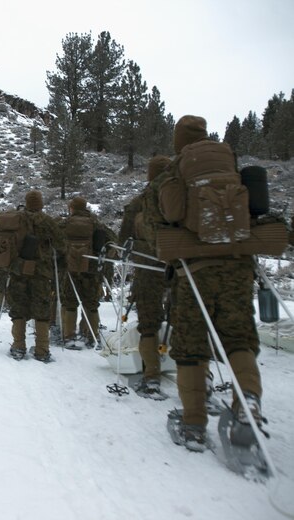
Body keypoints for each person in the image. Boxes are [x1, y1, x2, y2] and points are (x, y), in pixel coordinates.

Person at [142, 115, 265, 452]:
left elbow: (156, 232)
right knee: (239, 340)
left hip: (193, 273)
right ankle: (248, 403)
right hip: (238, 270)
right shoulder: (232, 167)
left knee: (191, 346)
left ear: (178, 141)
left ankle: (194, 424)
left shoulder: (172, 174)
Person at [119, 155, 172, 400]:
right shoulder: (185, 198)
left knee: (149, 324)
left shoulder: (138, 203)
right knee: (186, 321)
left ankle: (151, 377)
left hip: (148, 271)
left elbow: (123, 243)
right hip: (181, 270)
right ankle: (201, 379)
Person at [7, 190, 65, 361]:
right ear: (41, 204)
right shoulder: (47, 221)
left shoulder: (16, 219)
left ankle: (18, 346)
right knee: (42, 310)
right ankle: (42, 350)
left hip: (19, 270)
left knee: (18, 308)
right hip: (41, 272)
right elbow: (61, 245)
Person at [59, 196, 106, 349]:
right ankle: (92, 336)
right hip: (91, 269)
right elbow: (109, 241)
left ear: (72, 208)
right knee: (91, 303)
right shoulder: (95, 222)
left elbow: (56, 241)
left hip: (70, 268)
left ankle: (69, 337)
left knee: (70, 302)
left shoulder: (66, 223)